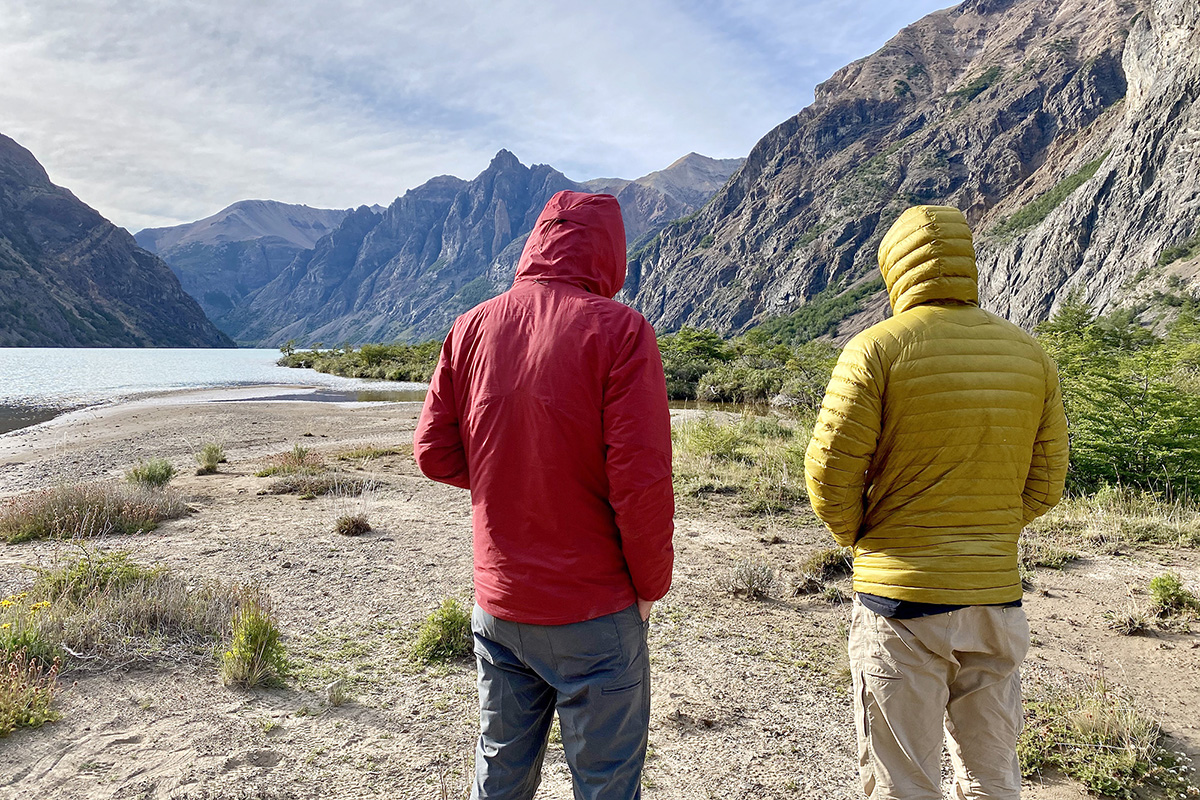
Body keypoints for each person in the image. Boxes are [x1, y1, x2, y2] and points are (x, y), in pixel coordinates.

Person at [413, 190, 675, 800]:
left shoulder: (470, 327)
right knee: (606, 782)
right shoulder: (622, 331)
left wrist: (511, 475)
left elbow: (434, 451)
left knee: (500, 771)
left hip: (501, 603)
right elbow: (640, 482)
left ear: (537, 240)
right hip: (596, 609)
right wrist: (649, 587)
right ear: (611, 252)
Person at [804, 205, 1069, 800]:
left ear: (895, 267)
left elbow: (827, 478)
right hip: (994, 600)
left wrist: (868, 539)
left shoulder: (875, 350)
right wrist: (989, 530)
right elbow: (1046, 483)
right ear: (968, 265)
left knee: (903, 782)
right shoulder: (1032, 357)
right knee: (992, 775)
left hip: (902, 601)